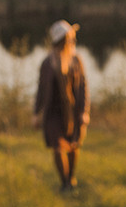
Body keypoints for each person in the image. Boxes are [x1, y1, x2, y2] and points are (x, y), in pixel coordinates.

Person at [33, 19, 90, 192]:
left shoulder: (76, 60)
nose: (72, 41)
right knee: (58, 148)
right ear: (62, 40)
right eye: (69, 38)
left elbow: (83, 87)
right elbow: (41, 89)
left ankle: (71, 178)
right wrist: (36, 113)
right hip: (52, 113)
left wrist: (84, 112)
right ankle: (65, 182)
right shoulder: (47, 63)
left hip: (73, 111)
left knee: (73, 146)